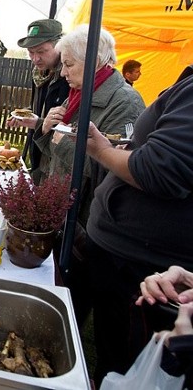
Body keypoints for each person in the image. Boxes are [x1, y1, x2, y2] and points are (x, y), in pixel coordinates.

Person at [84, 64, 193, 385]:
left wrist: (101, 151)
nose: (64, 72)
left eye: (69, 65)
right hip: (135, 257)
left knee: (123, 365)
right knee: (112, 356)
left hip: (140, 266)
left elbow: (160, 169)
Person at [33, 24, 145, 328]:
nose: (63, 72)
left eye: (69, 64)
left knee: (80, 298)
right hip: (63, 209)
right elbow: (57, 155)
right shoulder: (77, 96)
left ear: (94, 60)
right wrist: (46, 130)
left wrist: (60, 138)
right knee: (60, 288)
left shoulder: (124, 103)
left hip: (89, 222)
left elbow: (106, 165)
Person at [7, 19, 70, 183]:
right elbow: (42, 106)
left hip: (56, 162)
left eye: (41, 51)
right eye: (31, 52)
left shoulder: (68, 77)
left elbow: (66, 124)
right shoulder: (39, 73)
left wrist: (38, 123)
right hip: (38, 153)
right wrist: (26, 114)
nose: (35, 58)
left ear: (60, 46)